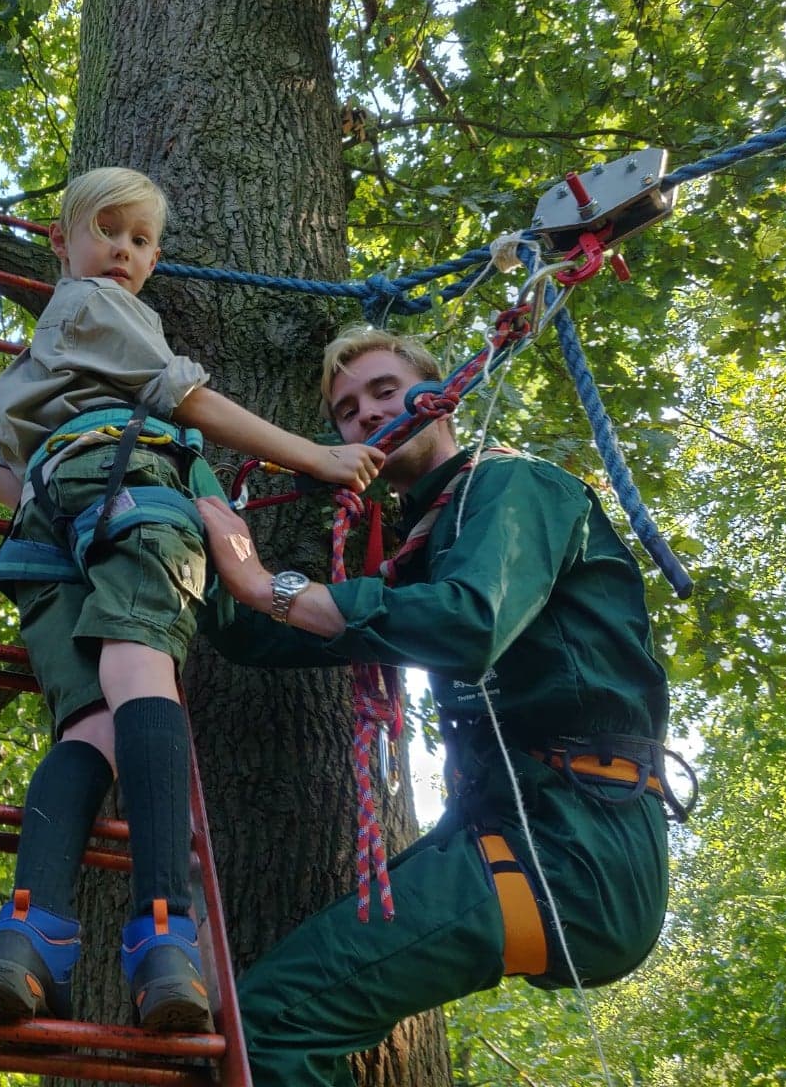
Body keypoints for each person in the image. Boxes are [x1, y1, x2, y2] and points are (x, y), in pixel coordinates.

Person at [193, 325, 681, 1087]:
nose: (365, 415)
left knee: (271, 1022)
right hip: (511, 829)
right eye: (347, 410)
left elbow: (468, 623)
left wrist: (272, 587)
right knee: (272, 1011)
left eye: (385, 391)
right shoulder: (421, 547)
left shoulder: (517, 488)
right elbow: (264, 640)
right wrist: (194, 514)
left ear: (437, 393)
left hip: (579, 846)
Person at [0, 168, 384, 1033]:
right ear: (62, 243)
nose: (122, 251)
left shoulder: (30, 364)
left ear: (155, 255)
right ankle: (165, 933)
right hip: (128, 484)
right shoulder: (98, 305)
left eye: (140, 240)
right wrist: (315, 458)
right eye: (106, 231)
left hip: (47, 529)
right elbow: (182, 396)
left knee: (88, 727)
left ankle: (28, 933)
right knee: (142, 676)